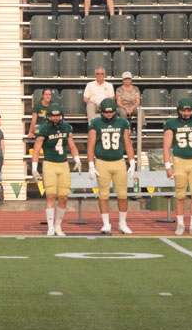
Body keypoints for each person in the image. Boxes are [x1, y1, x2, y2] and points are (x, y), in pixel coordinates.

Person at [86, 98, 135, 235]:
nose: (108, 115)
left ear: (115, 111)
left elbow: (127, 143)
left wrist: (132, 162)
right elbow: (90, 145)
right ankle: (106, 224)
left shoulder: (122, 123)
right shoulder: (96, 123)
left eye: (111, 112)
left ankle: (122, 223)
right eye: (106, 112)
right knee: (103, 195)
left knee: (123, 194)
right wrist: (91, 164)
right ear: (101, 112)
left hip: (119, 161)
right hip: (102, 162)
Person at [163, 98, 192, 235]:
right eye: (183, 110)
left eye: (188, 110)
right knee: (180, 195)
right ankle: (180, 224)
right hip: (179, 161)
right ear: (178, 110)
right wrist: (168, 166)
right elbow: (166, 147)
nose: (186, 113)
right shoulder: (171, 124)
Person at [30, 106, 79, 236]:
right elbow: (36, 150)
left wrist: (77, 159)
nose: (55, 118)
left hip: (63, 164)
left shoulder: (66, 128)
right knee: (51, 196)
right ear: (48, 117)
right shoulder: (44, 129)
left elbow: (72, 146)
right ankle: (50, 227)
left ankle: (58, 226)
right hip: (49, 164)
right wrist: (34, 168)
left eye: (57, 115)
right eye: (53, 115)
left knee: (63, 197)